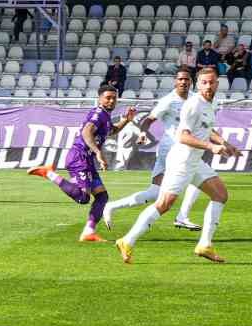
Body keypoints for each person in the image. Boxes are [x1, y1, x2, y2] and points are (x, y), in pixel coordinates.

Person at [115, 66, 240, 265]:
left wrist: (225, 143)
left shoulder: (211, 103)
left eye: (211, 82)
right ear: (198, 85)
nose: (208, 86)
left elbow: (207, 129)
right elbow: (183, 136)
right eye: (204, 82)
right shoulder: (193, 105)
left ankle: (205, 245)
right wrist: (211, 146)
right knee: (164, 204)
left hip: (194, 161)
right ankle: (127, 240)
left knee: (220, 194)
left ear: (217, 84)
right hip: (182, 160)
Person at [26, 84, 137, 243]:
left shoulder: (105, 116)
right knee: (83, 197)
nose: (112, 101)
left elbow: (111, 131)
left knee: (102, 196)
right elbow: (86, 132)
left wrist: (126, 120)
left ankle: (88, 232)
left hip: (87, 160)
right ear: (100, 98)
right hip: (79, 157)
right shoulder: (98, 113)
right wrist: (98, 152)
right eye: (108, 98)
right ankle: (48, 173)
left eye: (114, 98)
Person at [102, 68, 203, 233]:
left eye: (186, 79)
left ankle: (111, 206)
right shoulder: (168, 101)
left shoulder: (195, 99)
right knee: (200, 176)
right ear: (175, 81)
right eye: (180, 79)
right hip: (171, 149)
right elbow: (149, 120)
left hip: (183, 148)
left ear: (191, 82)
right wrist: (142, 133)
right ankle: (182, 216)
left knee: (154, 192)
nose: (183, 82)